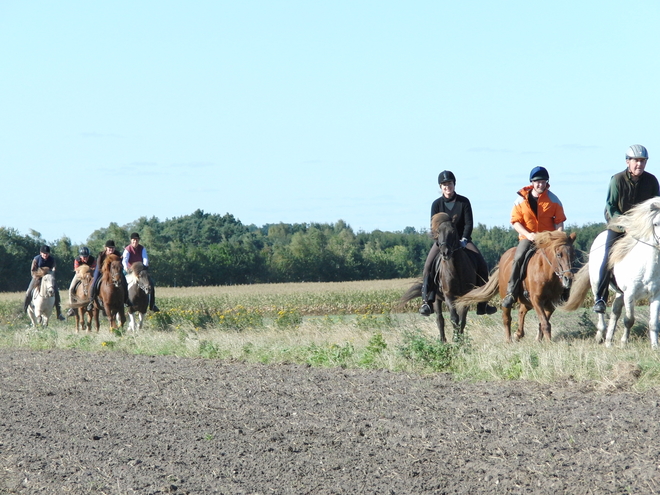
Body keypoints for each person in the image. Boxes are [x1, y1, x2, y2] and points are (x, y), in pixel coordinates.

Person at [592, 144, 660, 313]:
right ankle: (600, 298)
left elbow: (657, 205)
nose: (640, 164)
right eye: (636, 161)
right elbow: (611, 207)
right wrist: (624, 225)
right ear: (627, 162)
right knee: (608, 255)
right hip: (619, 224)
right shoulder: (617, 180)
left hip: (643, 226)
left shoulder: (651, 181)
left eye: (643, 161)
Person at [419, 170, 497, 316]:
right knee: (428, 266)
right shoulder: (436, 204)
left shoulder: (464, 202)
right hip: (442, 242)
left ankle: (483, 303)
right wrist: (440, 242)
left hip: (462, 241)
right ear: (440, 187)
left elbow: (468, 223)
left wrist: (464, 239)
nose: (447, 186)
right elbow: (434, 227)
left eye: (449, 183)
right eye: (444, 184)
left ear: (454, 184)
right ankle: (426, 302)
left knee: (481, 263)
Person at [501, 166, 566, 308]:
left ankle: (564, 291)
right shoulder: (520, 200)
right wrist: (528, 234)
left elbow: (559, 221)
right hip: (528, 238)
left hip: (548, 240)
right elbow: (515, 222)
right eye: (537, 182)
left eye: (543, 182)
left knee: (565, 256)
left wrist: (557, 237)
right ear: (532, 182)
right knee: (518, 257)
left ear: (547, 183)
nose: (540, 184)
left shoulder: (554, 200)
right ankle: (511, 292)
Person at [24, 245, 65, 320]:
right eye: (44, 253)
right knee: (28, 291)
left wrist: (51, 273)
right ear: (41, 253)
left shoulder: (52, 259)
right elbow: (33, 270)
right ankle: (25, 307)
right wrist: (37, 276)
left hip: (49, 278)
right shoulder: (36, 259)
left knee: (56, 292)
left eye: (47, 254)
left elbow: (54, 268)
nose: (45, 255)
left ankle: (59, 313)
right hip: (38, 277)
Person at [87, 240, 130, 311]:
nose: (111, 249)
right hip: (102, 270)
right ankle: (91, 301)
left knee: (124, 281)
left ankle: (126, 300)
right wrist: (105, 272)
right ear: (106, 248)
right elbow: (99, 266)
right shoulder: (101, 255)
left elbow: (120, 263)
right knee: (94, 281)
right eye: (109, 248)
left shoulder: (117, 254)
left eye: (112, 248)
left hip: (114, 271)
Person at [121, 232, 160, 312]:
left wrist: (144, 267)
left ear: (138, 240)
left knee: (151, 283)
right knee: (122, 283)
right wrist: (126, 268)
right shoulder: (127, 249)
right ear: (131, 240)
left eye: (137, 240)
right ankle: (124, 301)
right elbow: (124, 260)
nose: (135, 242)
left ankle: (152, 304)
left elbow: (145, 259)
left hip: (141, 271)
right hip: (130, 271)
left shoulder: (142, 248)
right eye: (133, 240)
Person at [66, 247, 97, 317]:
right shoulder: (77, 260)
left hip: (90, 275)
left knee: (96, 286)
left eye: (87, 257)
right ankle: (72, 307)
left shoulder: (93, 260)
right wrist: (82, 275)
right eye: (84, 257)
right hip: (80, 275)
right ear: (80, 256)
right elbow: (77, 272)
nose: (85, 258)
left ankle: (97, 303)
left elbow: (94, 270)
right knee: (71, 288)